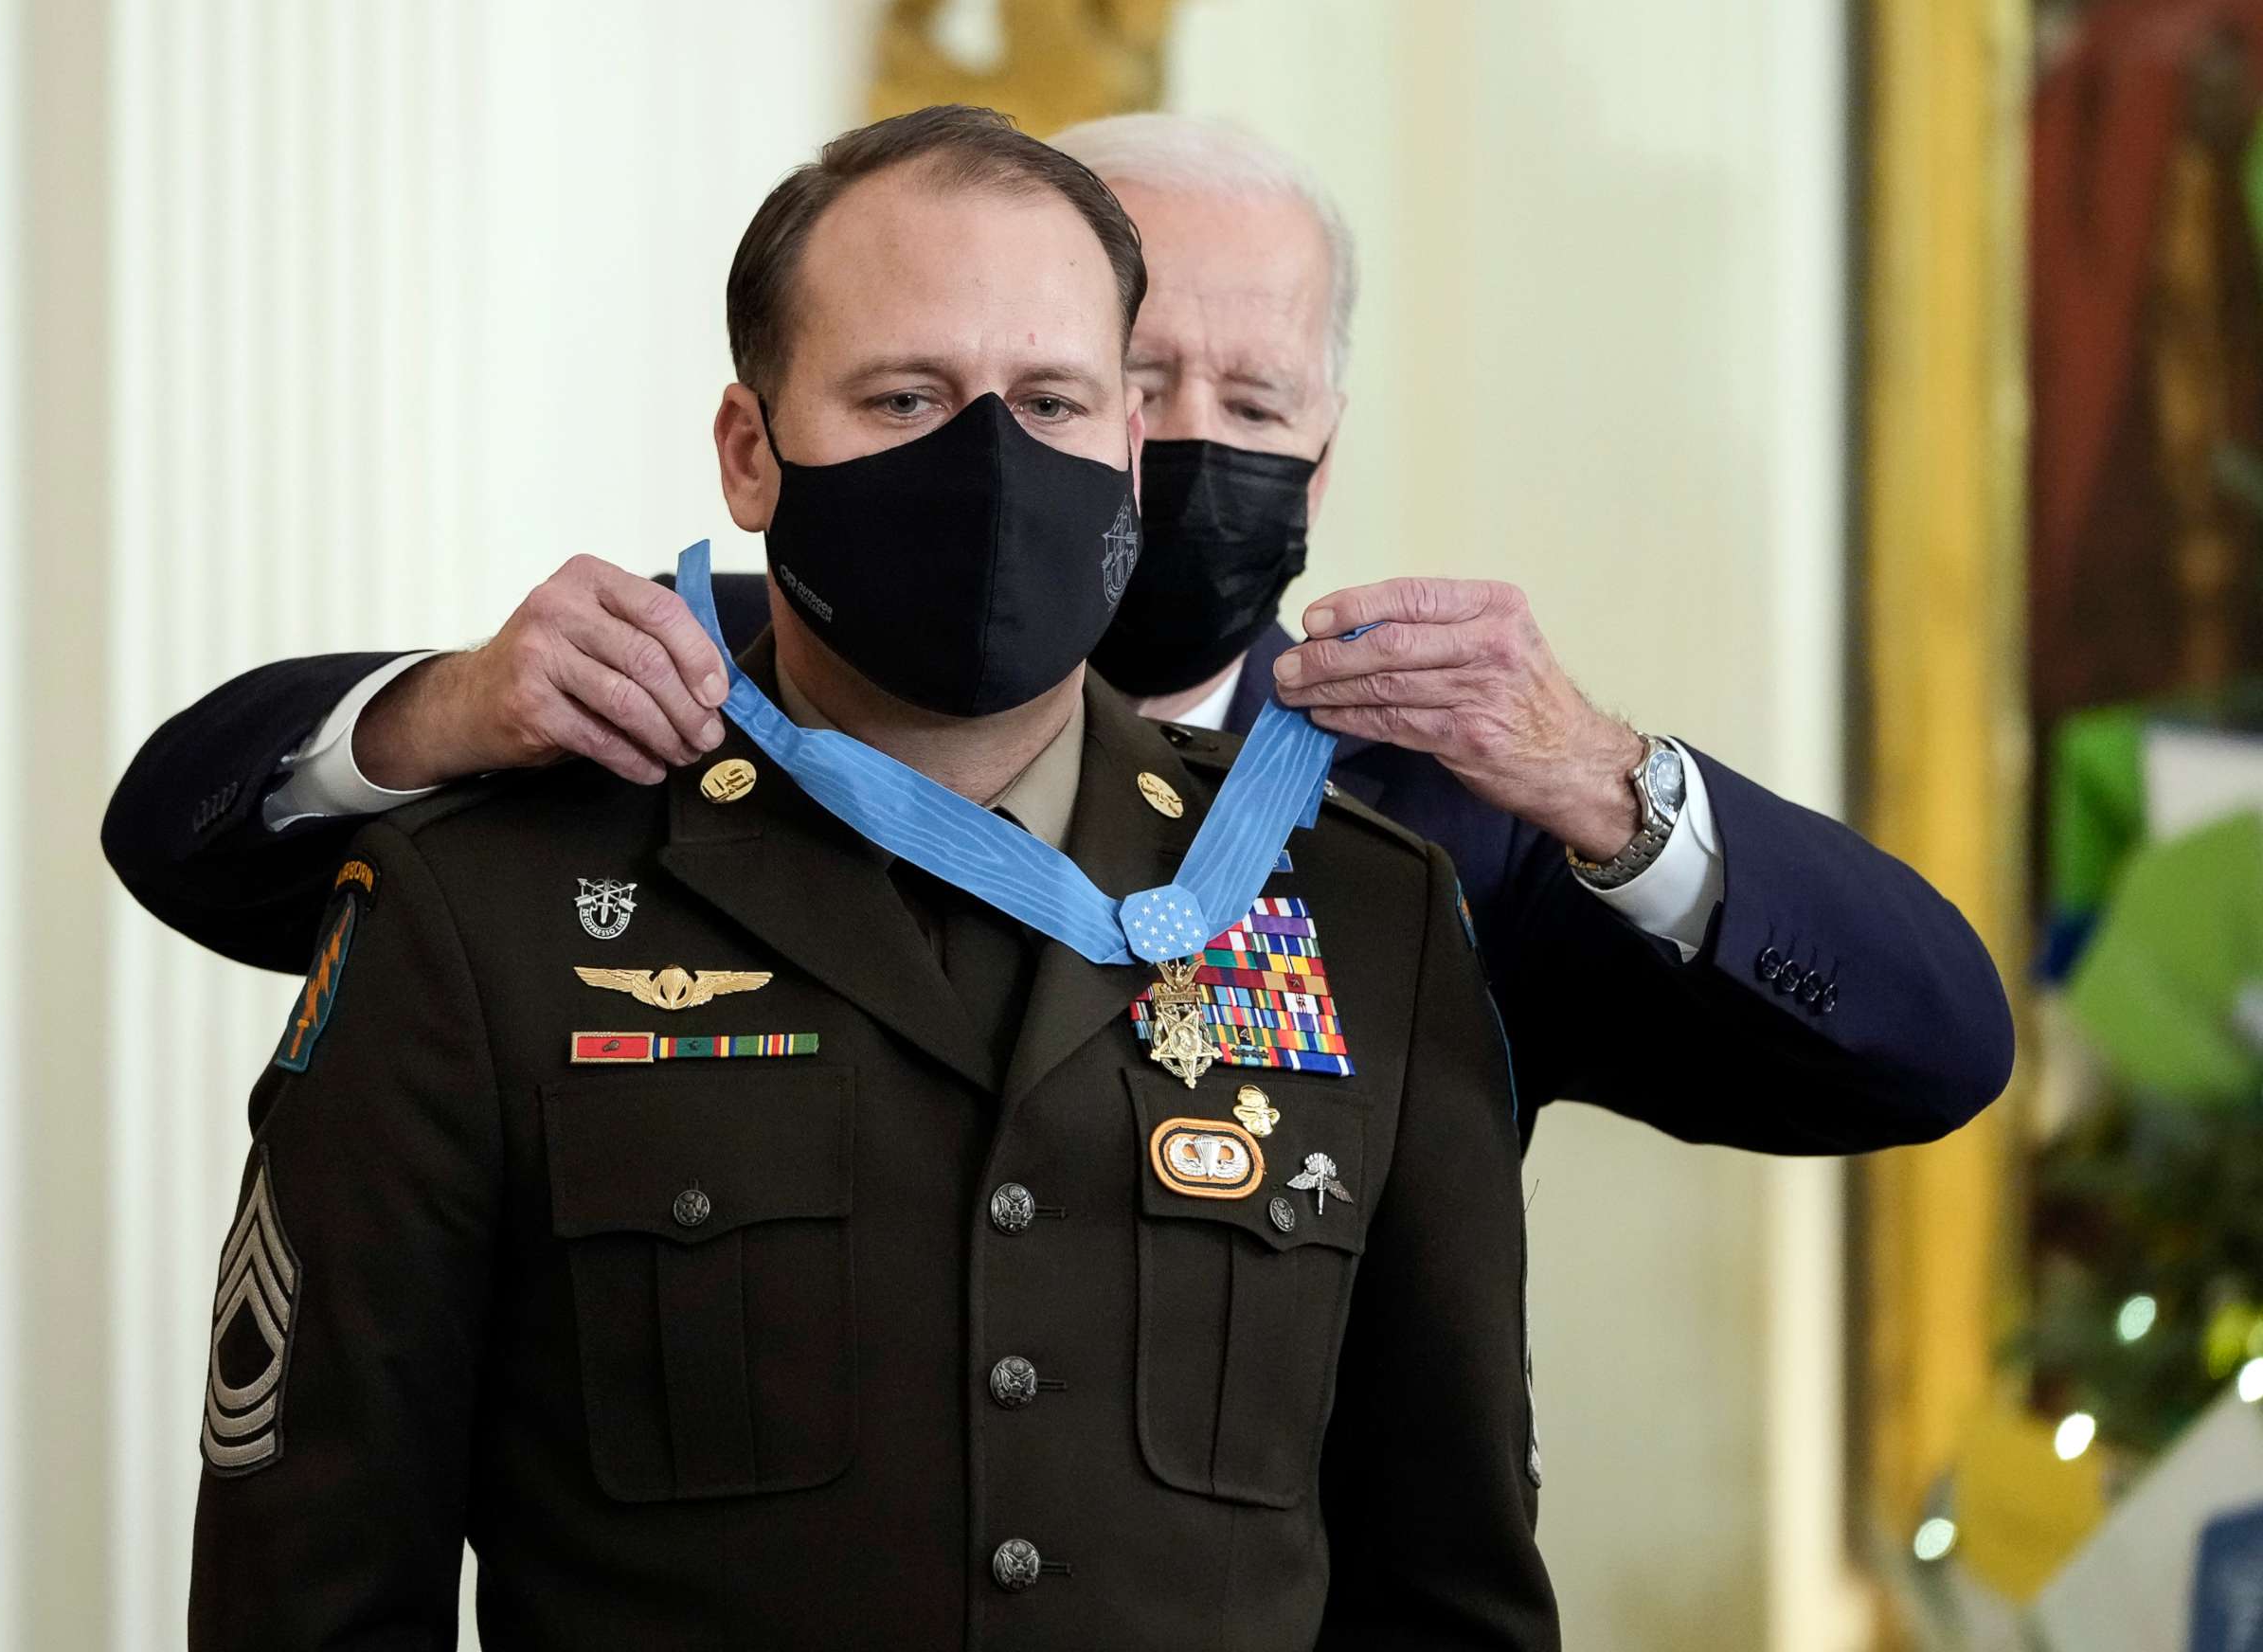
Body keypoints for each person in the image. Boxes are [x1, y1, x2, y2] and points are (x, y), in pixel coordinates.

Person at [182, 105, 1556, 1649]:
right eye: (904, 396)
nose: (987, 460)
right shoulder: (483, 909)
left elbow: (1451, 1595)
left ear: (1126, 447)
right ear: (752, 454)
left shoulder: (1366, 913)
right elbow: (310, 1594)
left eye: (1051, 399)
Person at [104, 115, 2012, 1157]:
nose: (1181, 443)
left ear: (1326, 460)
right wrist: (440, 709)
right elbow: (185, 832)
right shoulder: (695, 690)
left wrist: (1613, 788)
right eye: (1126, 375)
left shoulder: (1436, 813)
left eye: (1252, 403)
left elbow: (1925, 1049)